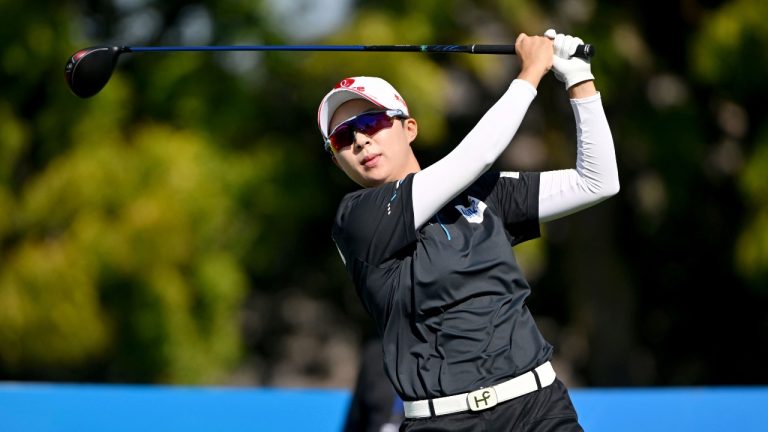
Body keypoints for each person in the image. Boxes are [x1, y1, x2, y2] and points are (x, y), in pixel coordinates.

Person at [318, 29, 619, 431]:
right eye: (341, 137)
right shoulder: (356, 219)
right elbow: (472, 157)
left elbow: (597, 181)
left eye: (371, 122)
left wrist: (579, 79)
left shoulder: (481, 194)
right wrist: (529, 74)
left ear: (409, 128)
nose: (360, 141)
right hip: (442, 422)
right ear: (337, 159)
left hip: (537, 409)